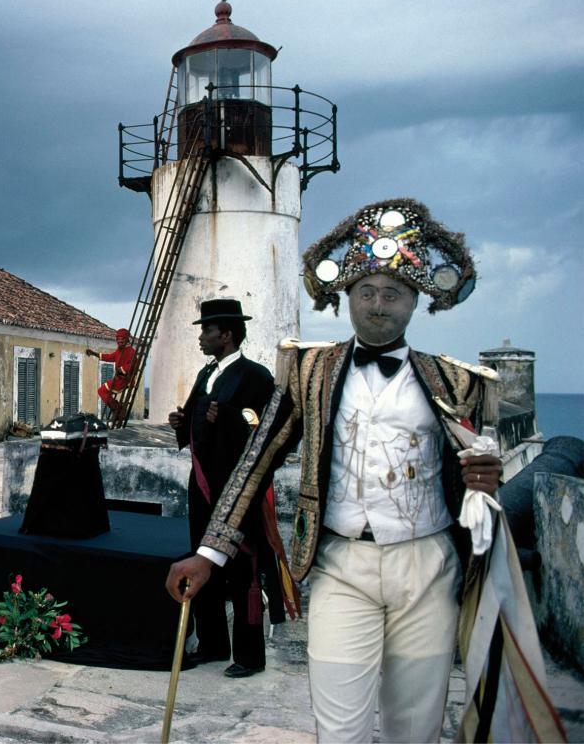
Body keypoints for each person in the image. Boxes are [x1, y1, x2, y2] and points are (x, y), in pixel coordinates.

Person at [166, 199, 502, 742]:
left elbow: (480, 466)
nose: (377, 305)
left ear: (415, 302)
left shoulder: (454, 382)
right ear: (346, 298)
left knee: (413, 729)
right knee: (338, 728)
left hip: (428, 566)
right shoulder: (309, 371)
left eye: (392, 293)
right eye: (365, 291)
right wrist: (209, 552)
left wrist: (485, 480)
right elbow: (256, 461)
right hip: (341, 565)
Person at [167, 298, 279, 678]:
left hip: (236, 489)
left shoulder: (256, 377)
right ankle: (213, 644)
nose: (201, 337)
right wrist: (181, 421)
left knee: (241, 568)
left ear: (226, 334)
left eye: (207, 331)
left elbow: (268, 433)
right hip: (201, 485)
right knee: (202, 559)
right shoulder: (206, 373)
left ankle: (249, 656)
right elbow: (195, 420)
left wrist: (229, 418)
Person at [86, 328, 136, 424]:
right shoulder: (119, 351)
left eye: (122, 339)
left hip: (125, 379)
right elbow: (109, 357)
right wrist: (93, 353)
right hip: (119, 379)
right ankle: (118, 409)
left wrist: (121, 369)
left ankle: (118, 410)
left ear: (127, 340)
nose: (120, 341)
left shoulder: (131, 351)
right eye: (118, 339)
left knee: (102, 391)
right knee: (102, 391)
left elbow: (133, 365)